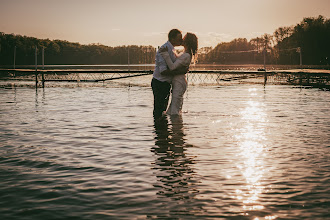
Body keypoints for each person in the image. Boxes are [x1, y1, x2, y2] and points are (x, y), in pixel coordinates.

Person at [159, 33, 198, 115]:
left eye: (183, 38)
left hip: (179, 82)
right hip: (178, 82)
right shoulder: (185, 54)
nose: (181, 40)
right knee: (172, 109)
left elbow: (172, 67)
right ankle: (175, 125)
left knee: (174, 111)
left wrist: (165, 54)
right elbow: (176, 62)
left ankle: (176, 126)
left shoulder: (186, 55)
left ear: (187, 41)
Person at [151, 29, 186, 119]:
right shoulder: (164, 49)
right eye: (179, 38)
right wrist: (180, 72)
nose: (181, 40)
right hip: (160, 83)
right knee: (159, 110)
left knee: (163, 110)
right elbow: (163, 71)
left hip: (165, 84)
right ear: (172, 39)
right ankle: (159, 129)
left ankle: (162, 130)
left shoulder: (172, 49)